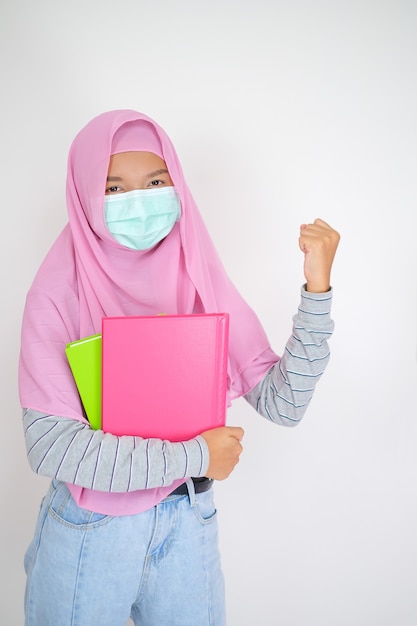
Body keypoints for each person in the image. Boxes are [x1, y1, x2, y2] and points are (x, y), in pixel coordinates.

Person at [19, 109, 340, 626]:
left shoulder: (199, 279)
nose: (139, 200)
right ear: (83, 195)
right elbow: (52, 446)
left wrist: (317, 290)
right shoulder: (56, 294)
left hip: (188, 523)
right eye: (115, 188)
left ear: (177, 183)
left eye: (154, 181)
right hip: (91, 530)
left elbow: (284, 403)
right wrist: (192, 455)